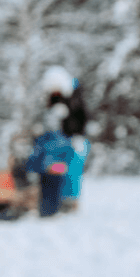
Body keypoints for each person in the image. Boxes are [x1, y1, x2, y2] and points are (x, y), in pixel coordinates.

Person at [40, 65, 90, 212]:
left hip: (75, 141)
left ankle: (70, 202)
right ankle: (55, 201)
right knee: (56, 170)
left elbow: (82, 117)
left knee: (72, 171)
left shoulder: (74, 97)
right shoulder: (56, 97)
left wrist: (78, 136)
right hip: (60, 142)